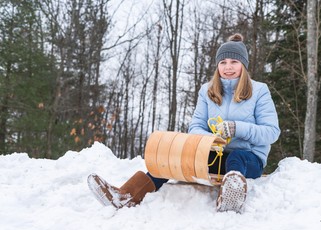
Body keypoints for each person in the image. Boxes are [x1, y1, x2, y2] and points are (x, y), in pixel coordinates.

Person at [88, 33, 280, 213]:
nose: (228, 67)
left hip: (248, 160)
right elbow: (195, 127)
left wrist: (237, 128)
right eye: (223, 62)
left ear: (243, 65)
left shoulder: (259, 91)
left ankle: (231, 197)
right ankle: (125, 196)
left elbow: (272, 132)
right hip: (213, 155)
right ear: (217, 66)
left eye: (234, 62)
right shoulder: (207, 91)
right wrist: (213, 140)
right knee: (173, 156)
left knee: (236, 156)